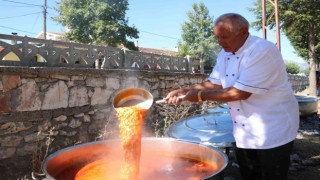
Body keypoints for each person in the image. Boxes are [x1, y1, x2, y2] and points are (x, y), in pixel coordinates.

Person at [164, 13, 299, 180]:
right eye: (218, 38)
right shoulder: (225, 53)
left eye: (225, 37)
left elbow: (239, 92)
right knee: (249, 173)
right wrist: (184, 90)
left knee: (270, 175)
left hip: (272, 128)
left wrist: (199, 95)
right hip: (244, 130)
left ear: (243, 32)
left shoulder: (262, 51)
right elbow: (214, 83)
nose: (220, 42)